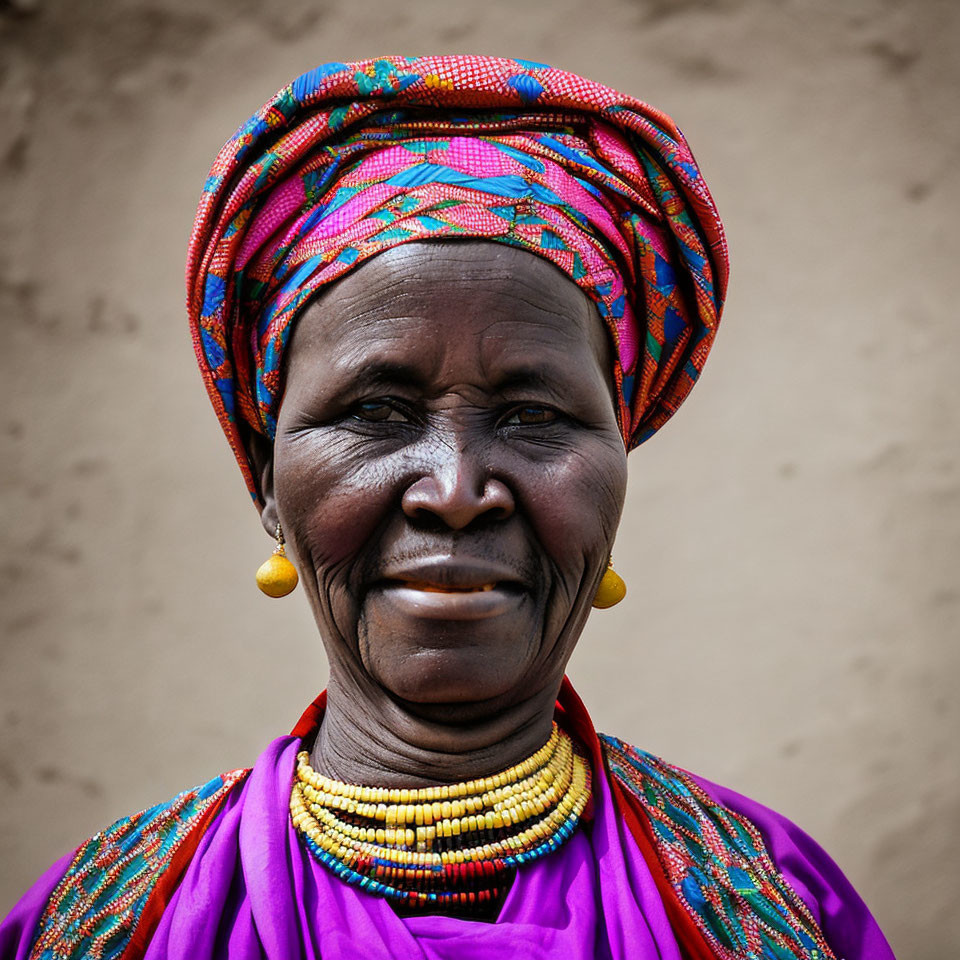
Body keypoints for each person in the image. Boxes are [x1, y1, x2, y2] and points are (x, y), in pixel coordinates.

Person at [0, 55, 896, 960]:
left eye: (534, 415)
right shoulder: (110, 923)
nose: (457, 491)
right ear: (268, 483)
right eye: (376, 413)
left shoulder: (771, 902)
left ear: (615, 472)